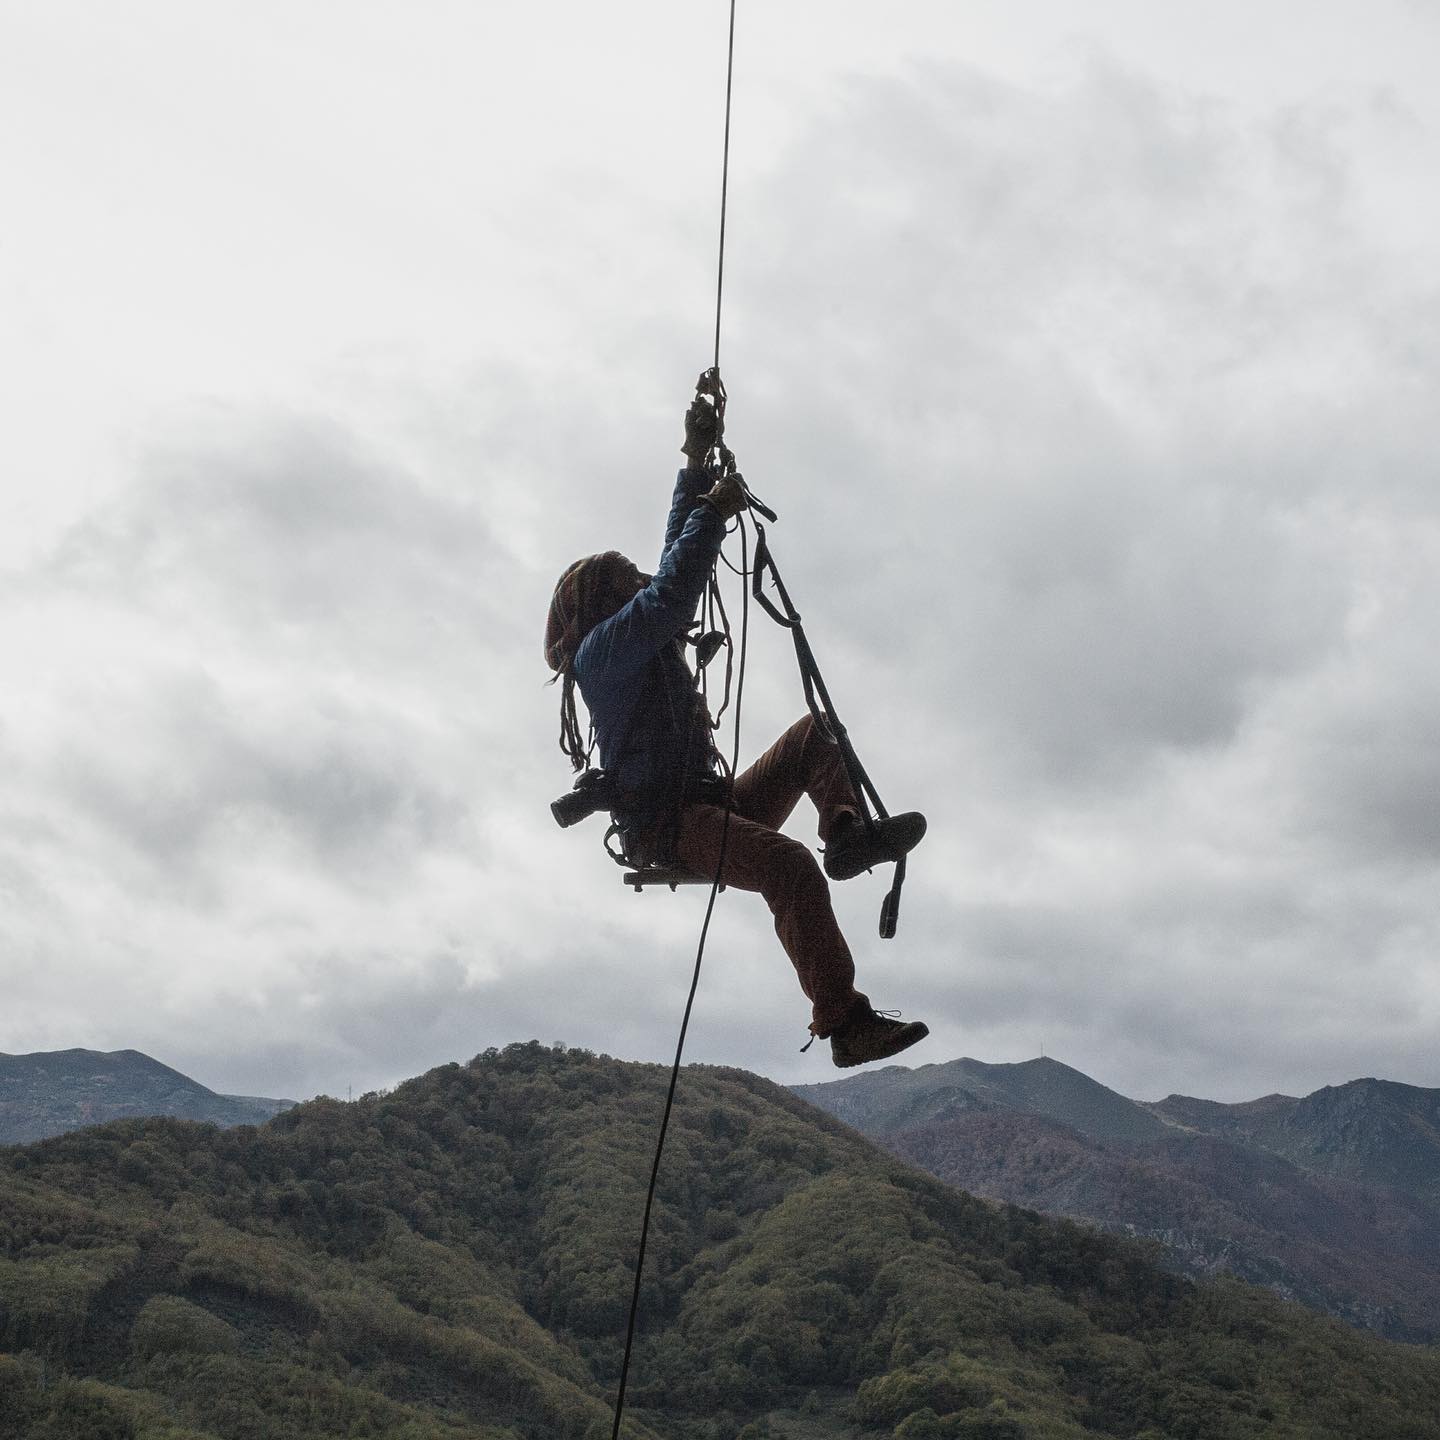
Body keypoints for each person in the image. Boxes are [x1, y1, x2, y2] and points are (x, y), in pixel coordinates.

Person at [544, 397, 929, 1067]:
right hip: (670, 824)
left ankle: (845, 833)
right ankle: (844, 1022)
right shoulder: (602, 653)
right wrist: (716, 514)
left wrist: (694, 459)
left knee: (812, 734)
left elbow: (671, 563)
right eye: (622, 584)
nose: (636, 585)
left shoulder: (625, 639)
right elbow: (670, 592)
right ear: (602, 604)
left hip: (707, 803)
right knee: (787, 868)